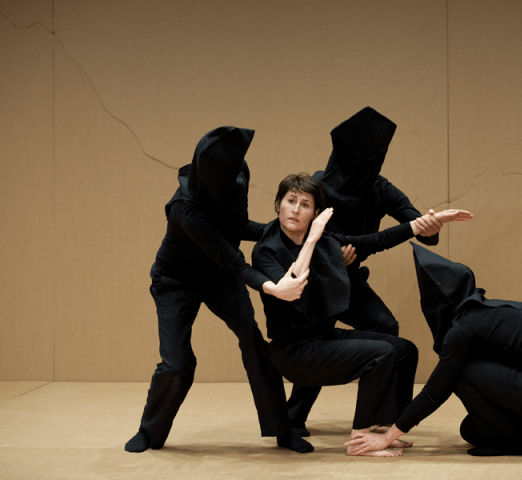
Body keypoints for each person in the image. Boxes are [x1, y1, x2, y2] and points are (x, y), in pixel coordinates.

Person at [251, 173, 473, 456]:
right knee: (381, 354)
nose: (295, 210)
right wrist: (313, 238)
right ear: (278, 204)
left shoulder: (325, 240)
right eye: (290, 201)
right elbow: (291, 286)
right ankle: (360, 437)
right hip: (293, 351)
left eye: (305, 205)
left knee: (405, 351)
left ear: (316, 213)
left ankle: (384, 427)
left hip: (323, 338)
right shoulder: (266, 250)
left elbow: (374, 240)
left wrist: (420, 225)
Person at [124, 127, 314, 454]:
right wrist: (273, 287)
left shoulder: (239, 175)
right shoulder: (185, 209)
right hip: (176, 282)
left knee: (254, 343)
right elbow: (233, 259)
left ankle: (284, 431)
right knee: (177, 364)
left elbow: (236, 226)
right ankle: (148, 431)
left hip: (219, 277)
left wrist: (288, 229)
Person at [347, 243, 522, 456]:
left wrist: (387, 437)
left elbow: (436, 390)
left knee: (458, 372)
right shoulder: (487, 312)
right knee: (471, 430)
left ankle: (511, 441)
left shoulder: (463, 329)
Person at [289, 106, 447, 436]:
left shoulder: (379, 188)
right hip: (316, 282)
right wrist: (332, 255)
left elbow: (416, 224)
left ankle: (385, 416)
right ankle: (292, 416)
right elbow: (296, 237)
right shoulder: (318, 187)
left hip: (349, 282)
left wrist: (429, 227)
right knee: (320, 337)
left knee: (384, 325)